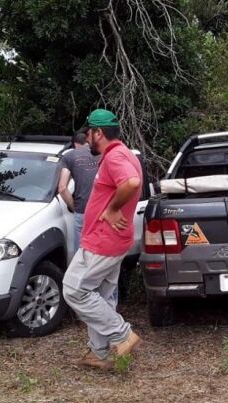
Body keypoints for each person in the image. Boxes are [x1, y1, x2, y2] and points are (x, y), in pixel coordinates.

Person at [62, 108, 143, 370]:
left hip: (102, 241)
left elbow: (130, 183)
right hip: (113, 240)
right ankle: (99, 353)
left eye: (89, 133)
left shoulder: (115, 157)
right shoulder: (126, 154)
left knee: (75, 290)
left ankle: (122, 335)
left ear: (99, 132)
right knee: (101, 295)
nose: (87, 139)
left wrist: (111, 209)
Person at [57, 128, 100, 254]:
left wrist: (74, 206)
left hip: (82, 210)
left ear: (75, 144)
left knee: (81, 254)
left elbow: (62, 188)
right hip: (103, 210)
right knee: (100, 253)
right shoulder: (103, 153)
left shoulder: (70, 156)